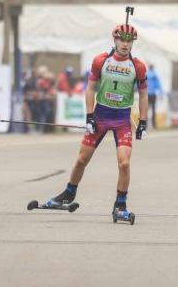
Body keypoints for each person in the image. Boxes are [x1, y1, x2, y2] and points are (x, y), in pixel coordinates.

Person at [45, 22, 148, 218]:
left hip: (122, 120)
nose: (125, 44)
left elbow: (143, 94)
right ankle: (68, 193)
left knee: (124, 163)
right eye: (121, 39)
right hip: (101, 115)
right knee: (82, 159)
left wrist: (143, 122)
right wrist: (89, 116)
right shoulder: (101, 61)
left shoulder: (138, 66)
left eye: (129, 41)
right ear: (115, 40)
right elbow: (90, 88)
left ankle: (120, 205)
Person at [146, 64, 163, 129]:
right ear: (153, 68)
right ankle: (154, 124)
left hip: (146, 94)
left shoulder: (146, 74)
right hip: (153, 94)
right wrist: (161, 94)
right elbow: (158, 85)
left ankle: (145, 124)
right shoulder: (155, 75)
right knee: (153, 109)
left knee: (146, 110)